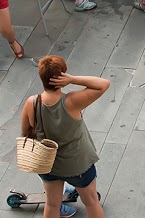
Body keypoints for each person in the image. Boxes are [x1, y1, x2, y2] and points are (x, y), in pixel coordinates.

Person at [19, 56, 107, 218]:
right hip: (77, 164)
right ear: (62, 76)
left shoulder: (32, 103)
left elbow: (26, 131)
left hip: (48, 164)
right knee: (91, 202)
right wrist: (73, 79)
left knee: (52, 204)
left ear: (41, 77)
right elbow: (103, 84)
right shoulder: (72, 101)